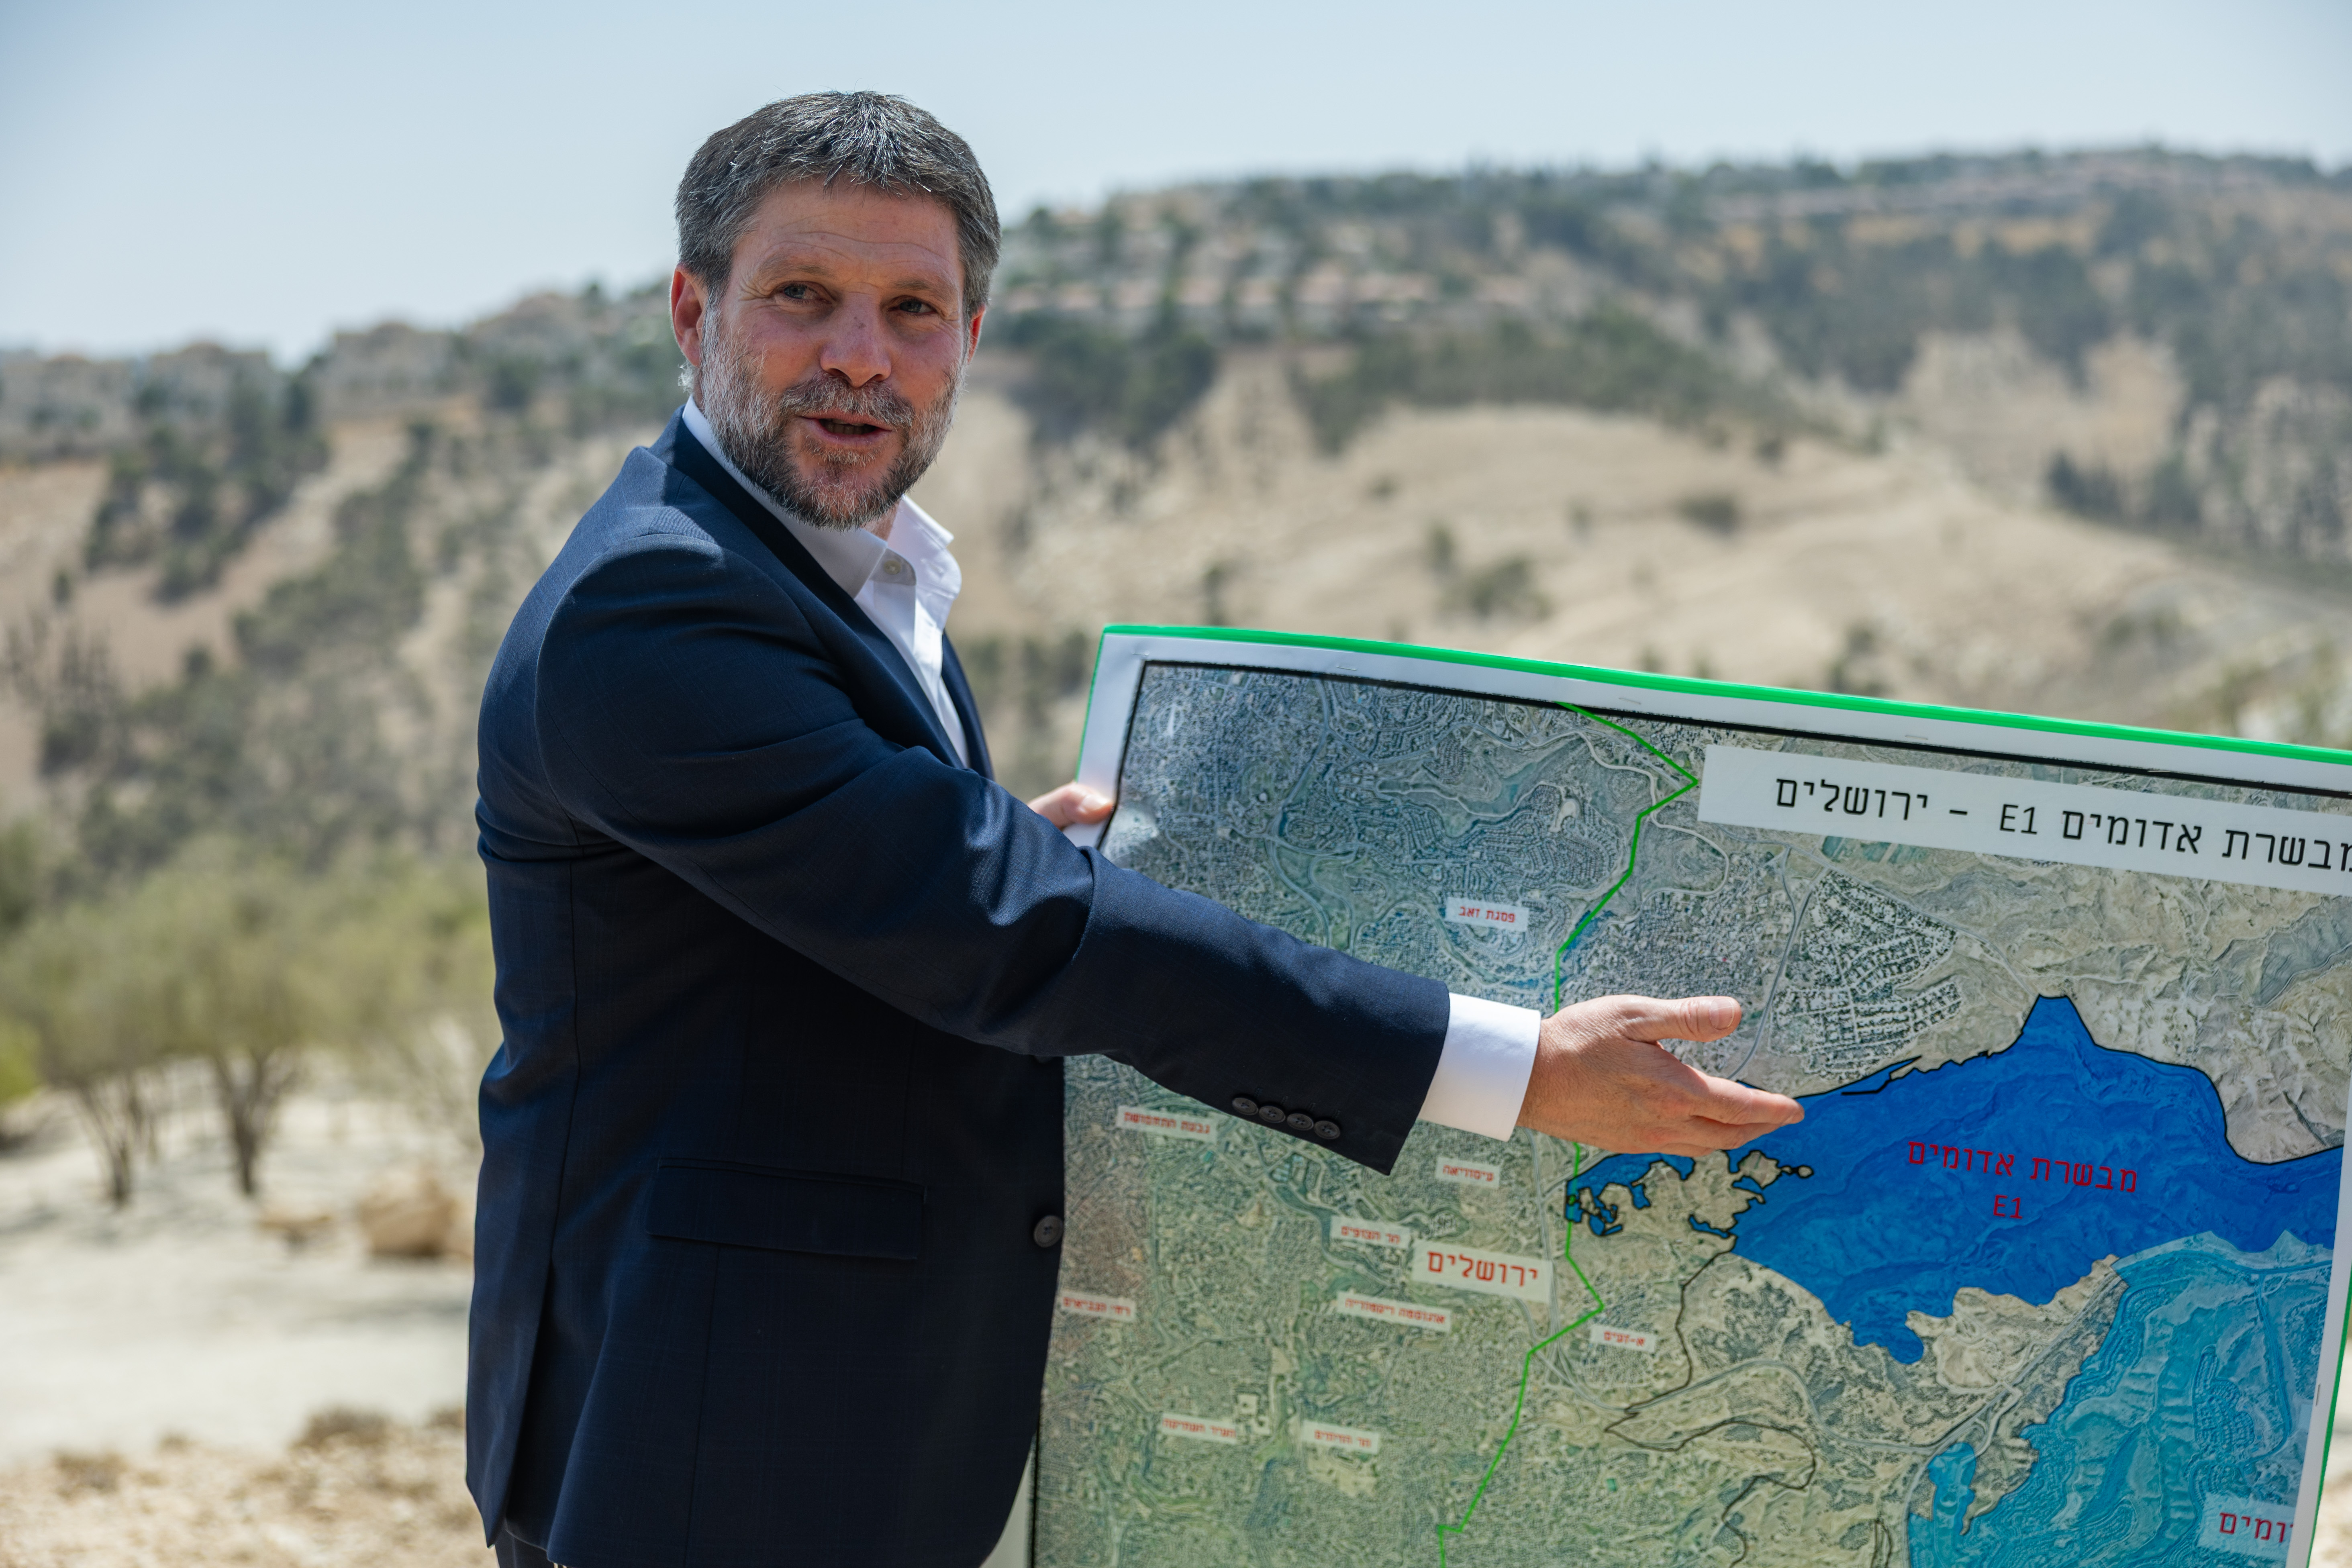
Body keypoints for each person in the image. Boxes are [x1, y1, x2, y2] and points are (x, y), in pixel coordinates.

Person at [467, 90, 1802, 1568]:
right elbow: (1011, 930)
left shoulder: (838, 569)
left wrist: (934, 860)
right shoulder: (656, 604)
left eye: (914, 308)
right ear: (691, 309)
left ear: (971, 339)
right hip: (705, 1433)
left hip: (817, 1417)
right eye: (804, 297)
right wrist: (1514, 1068)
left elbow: (848, 904)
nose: (861, 353)